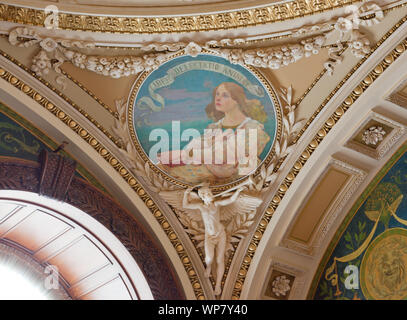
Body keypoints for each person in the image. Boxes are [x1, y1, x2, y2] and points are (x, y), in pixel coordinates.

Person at [157, 82, 270, 184]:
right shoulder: (214, 126)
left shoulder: (253, 128)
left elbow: (227, 153)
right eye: (217, 94)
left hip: (234, 178)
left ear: (237, 100)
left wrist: (190, 154)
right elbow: (196, 144)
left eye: (225, 95)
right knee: (161, 168)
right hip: (207, 169)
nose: (218, 98)